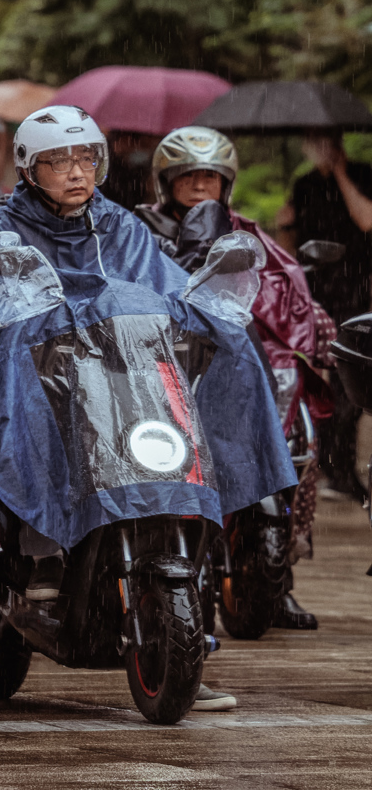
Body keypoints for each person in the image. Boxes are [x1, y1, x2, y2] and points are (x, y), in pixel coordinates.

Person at [0, 107, 296, 713]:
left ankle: (187, 646)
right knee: (31, 428)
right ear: (31, 170)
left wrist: (206, 315)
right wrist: (46, 323)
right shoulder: (2, 229)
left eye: (86, 158)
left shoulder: (121, 226)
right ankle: (38, 556)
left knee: (210, 398)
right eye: (58, 162)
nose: (75, 172)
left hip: (120, 380)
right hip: (48, 386)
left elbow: (163, 286)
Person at [136, 126, 332, 630]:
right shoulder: (138, 233)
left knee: (292, 454)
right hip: (161, 366)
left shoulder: (246, 232)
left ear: (227, 183)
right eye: (188, 177)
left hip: (233, 366)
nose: (200, 187)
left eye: (210, 177)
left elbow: (285, 291)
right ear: (166, 181)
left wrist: (314, 321)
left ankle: (280, 581)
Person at [280, 130, 372, 501]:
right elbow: (291, 244)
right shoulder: (303, 185)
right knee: (320, 384)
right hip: (319, 295)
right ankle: (332, 468)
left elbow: (366, 220)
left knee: (352, 386)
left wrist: (340, 173)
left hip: (360, 294)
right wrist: (284, 225)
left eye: (324, 143)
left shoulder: (363, 174)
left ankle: (342, 469)